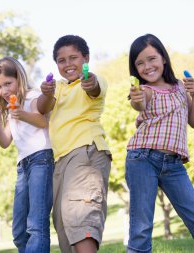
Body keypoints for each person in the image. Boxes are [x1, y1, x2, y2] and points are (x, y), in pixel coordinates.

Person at [126, 33, 194, 253]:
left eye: (152, 59)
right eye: (139, 63)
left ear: (163, 58)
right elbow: (138, 104)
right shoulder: (144, 91)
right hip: (142, 159)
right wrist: (136, 99)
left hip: (174, 165)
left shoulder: (179, 87)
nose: (147, 66)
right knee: (141, 226)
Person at [37, 35, 112, 253]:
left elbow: (94, 87)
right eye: (62, 60)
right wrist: (46, 92)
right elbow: (43, 108)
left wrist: (91, 81)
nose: (68, 64)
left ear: (85, 58)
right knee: (63, 225)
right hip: (61, 161)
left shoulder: (92, 80)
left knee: (81, 217)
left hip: (86, 150)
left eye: (73, 58)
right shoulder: (58, 87)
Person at [0, 57, 54, 253]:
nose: (4, 90)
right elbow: (5, 142)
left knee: (36, 225)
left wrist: (20, 114)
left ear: (19, 79)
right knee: (19, 231)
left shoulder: (33, 96)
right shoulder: (10, 107)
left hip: (42, 159)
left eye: (8, 83)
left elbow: (43, 122)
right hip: (23, 166)